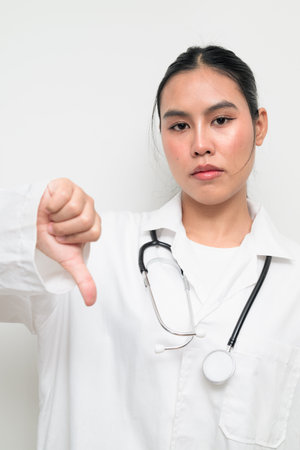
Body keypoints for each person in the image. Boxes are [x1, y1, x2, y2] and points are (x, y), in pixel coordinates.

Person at [1, 45, 300, 450]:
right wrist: (22, 227)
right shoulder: (91, 251)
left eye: (221, 120)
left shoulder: (291, 282)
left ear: (259, 125)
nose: (200, 144)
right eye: (178, 126)